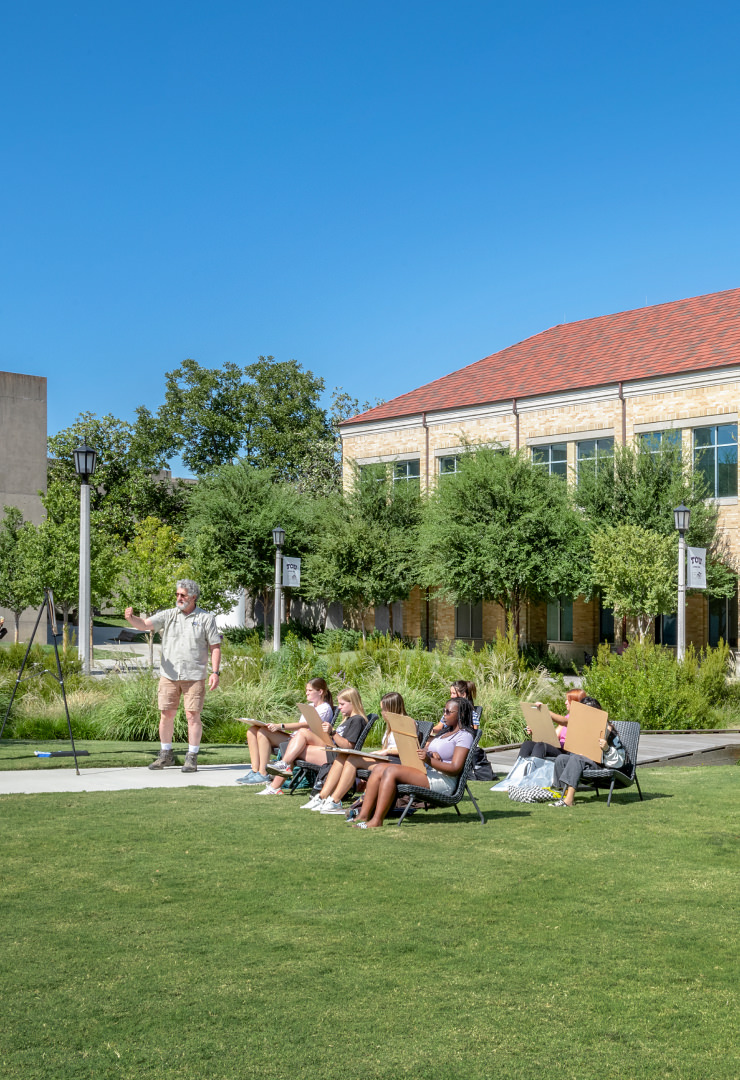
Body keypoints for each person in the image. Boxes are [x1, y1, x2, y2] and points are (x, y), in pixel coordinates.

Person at [124, 579, 222, 773]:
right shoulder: (168, 615)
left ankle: (192, 757)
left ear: (193, 597)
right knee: (166, 714)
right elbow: (144, 625)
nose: (179, 598)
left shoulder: (206, 618)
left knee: (192, 715)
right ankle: (165, 755)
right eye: (177, 594)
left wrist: (215, 672)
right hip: (169, 675)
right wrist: (131, 618)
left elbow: (215, 647)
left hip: (194, 676)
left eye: (182, 595)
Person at [350, 697, 475, 829]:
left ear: (461, 714)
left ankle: (377, 820)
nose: (444, 714)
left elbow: (455, 768)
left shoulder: (464, 736)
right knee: (379, 768)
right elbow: (430, 750)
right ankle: (363, 815)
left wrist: (429, 760)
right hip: (428, 772)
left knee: (391, 771)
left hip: (444, 780)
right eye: (444, 710)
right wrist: (429, 753)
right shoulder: (445, 732)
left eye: (448, 712)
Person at [301, 690, 405, 814]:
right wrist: (380, 752)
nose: (382, 713)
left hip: (397, 764)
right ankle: (323, 797)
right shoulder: (391, 726)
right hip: (387, 760)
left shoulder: (405, 724)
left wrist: (386, 751)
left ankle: (334, 801)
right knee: (343, 756)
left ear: (393, 709)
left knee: (352, 759)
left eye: (384, 710)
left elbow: (409, 750)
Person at [256, 681, 366, 796]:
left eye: (342, 704)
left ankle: (277, 781)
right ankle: (277, 781)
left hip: (338, 756)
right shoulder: (349, 719)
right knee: (294, 748)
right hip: (332, 749)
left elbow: (349, 747)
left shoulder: (357, 720)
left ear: (353, 702)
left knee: (297, 743)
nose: (339, 707)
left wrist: (333, 732)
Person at [238, 678, 334, 785]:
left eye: (310, 690)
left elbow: (306, 725)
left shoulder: (324, 708)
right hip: (295, 736)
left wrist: (281, 726)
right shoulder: (310, 706)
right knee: (252, 730)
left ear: (320, 692)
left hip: (304, 741)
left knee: (262, 732)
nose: (306, 693)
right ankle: (255, 770)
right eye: (306, 690)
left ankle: (263, 773)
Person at [550, 696, 626, 808]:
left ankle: (569, 800)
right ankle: (560, 792)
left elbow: (619, 761)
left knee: (577, 759)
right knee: (561, 759)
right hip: (586, 762)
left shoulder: (609, 732)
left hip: (604, 766)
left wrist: (607, 748)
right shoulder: (584, 729)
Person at [518, 689, 586, 760]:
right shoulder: (567, 716)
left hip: (568, 753)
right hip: (560, 749)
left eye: (568, 700)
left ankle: (533, 766)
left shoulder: (581, 719)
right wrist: (535, 730)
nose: (565, 703)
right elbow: (553, 738)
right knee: (527, 744)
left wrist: (545, 711)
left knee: (541, 746)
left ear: (576, 702)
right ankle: (519, 766)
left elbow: (565, 722)